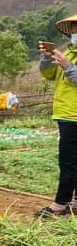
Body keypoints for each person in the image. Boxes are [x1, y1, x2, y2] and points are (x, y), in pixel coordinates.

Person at [37, 15, 77, 216]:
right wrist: (46, 58)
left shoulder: (69, 59)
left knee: (68, 160)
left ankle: (60, 204)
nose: (75, 33)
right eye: (74, 29)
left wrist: (68, 67)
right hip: (66, 113)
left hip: (74, 115)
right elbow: (48, 74)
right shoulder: (69, 52)